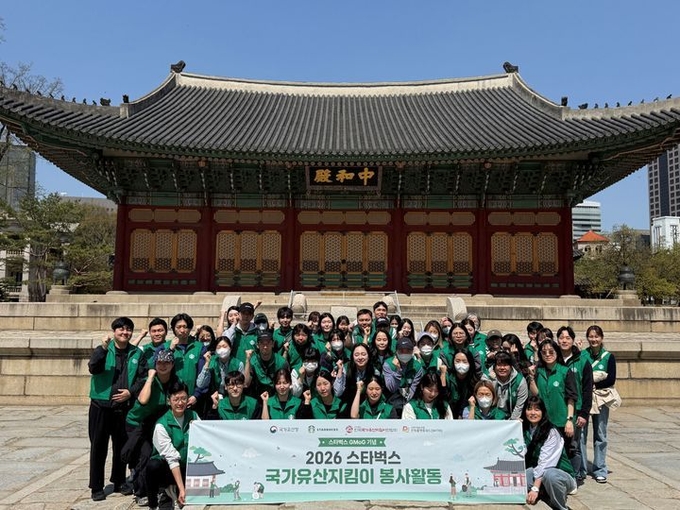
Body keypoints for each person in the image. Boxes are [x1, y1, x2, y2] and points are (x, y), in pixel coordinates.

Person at [88, 317, 145, 501]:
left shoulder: (136, 353)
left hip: (123, 407)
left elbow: (142, 377)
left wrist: (130, 392)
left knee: (121, 447)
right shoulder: (105, 349)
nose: (124, 332)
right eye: (121, 329)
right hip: (101, 406)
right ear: (114, 331)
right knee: (98, 447)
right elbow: (93, 367)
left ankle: (119, 480)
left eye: (128, 329)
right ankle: (96, 486)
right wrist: (103, 348)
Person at [123, 349, 179, 505]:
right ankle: (141, 492)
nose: (163, 365)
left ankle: (158, 488)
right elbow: (143, 400)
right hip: (137, 423)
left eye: (166, 362)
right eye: (159, 362)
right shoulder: (146, 381)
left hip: (156, 424)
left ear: (172, 364)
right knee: (144, 456)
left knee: (157, 456)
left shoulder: (175, 382)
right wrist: (150, 378)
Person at [145, 381, 200, 510]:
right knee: (153, 466)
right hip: (168, 468)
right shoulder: (161, 425)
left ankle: (174, 490)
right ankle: (157, 499)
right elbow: (172, 459)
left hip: (187, 466)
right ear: (169, 401)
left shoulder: (194, 416)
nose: (180, 403)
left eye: (183, 399)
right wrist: (182, 489)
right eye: (176, 399)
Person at [522, 396, 577, 510]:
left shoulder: (551, 432)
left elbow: (545, 463)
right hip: (538, 472)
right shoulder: (525, 429)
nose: (533, 413)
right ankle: (545, 491)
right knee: (522, 476)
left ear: (543, 412)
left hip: (559, 474)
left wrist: (535, 488)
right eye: (529, 409)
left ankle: (560, 507)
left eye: (537, 409)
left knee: (550, 475)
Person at [557, 326, 593, 482]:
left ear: (573, 340)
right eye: (561, 338)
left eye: (568, 338)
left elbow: (587, 389)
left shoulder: (582, 361)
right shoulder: (553, 359)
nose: (564, 341)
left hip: (576, 411)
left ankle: (575, 476)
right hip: (558, 408)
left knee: (574, 445)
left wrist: (584, 413)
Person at [583, 325, 617, 484]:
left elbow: (611, 379)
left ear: (601, 338)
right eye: (591, 336)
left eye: (596, 336)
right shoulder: (583, 355)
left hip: (601, 398)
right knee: (581, 434)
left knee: (600, 433)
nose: (593, 339)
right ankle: (581, 469)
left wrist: (594, 385)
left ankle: (600, 469)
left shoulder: (608, 356)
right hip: (584, 398)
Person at [527, 339, 577, 438]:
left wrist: (570, 419)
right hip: (543, 421)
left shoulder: (565, 371)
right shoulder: (538, 371)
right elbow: (536, 395)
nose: (547, 355)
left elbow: (571, 397)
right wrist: (531, 378)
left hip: (562, 421)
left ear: (557, 352)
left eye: (551, 352)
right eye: (544, 352)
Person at [164, 313, 202, 404]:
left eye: (185, 327)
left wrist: (196, 395)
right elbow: (161, 368)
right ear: (173, 329)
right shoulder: (165, 346)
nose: (182, 330)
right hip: (171, 398)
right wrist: (170, 350)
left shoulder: (199, 347)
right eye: (178, 327)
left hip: (192, 398)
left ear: (190, 328)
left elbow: (203, 374)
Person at [383, 337, 424, 414]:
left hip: (409, 402)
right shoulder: (388, 364)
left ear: (412, 352)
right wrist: (398, 371)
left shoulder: (417, 367)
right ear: (396, 351)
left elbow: (414, 388)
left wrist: (406, 405)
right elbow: (391, 388)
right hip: (391, 402)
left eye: (408, 351)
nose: (404, 354)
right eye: (401, 351)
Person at [484, 350, 528, 420]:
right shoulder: (486, 377)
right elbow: (484, 400)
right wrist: (493, 381)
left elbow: (519, 406)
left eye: (505, 365)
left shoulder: (520, 381)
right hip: (490, 416)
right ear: (494, 366)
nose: (502, 368)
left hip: (511, 416)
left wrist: (511, 421)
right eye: (499, 365)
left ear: (511, 366)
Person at [247, 330, 289, 397]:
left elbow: (286, 384)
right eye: (262, 343)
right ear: (257, 345)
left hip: (276, 396)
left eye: (268, 343)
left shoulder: (282, 362)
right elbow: (246, 384)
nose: (265, 347)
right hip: (257, 395)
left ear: (273, 344)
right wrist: (247, 360)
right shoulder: (252, 361)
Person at [446, 349, 479, 418]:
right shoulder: (448, 378)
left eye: (464, 361)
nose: (461, 364)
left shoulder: (476, 381)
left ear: (470, 363)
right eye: (457, 361)